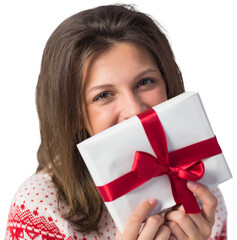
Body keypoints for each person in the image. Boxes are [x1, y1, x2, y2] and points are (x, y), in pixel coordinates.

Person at [5, 4, 227, 240]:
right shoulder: (40, 207)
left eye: (145, 82)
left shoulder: (202, 189)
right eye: (103, 95)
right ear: (74, 114)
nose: (134, 110)